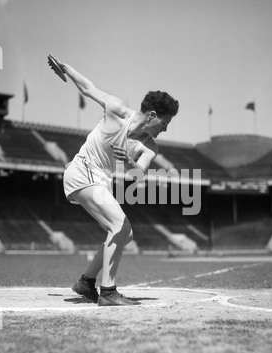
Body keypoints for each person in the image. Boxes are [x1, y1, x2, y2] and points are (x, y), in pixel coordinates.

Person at [56, 57, 179, 306]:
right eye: (164, 123)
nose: (165, 129)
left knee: (126, 234)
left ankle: (86, 282)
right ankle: (108, 292)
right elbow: (89, 88)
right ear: (153, 115)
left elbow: (139, 173)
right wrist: (66, 69)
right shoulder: (117, 109)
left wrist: (131, 163)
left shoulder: (150, 146)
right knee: (119, 225)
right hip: (82, 170)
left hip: (100, 180)